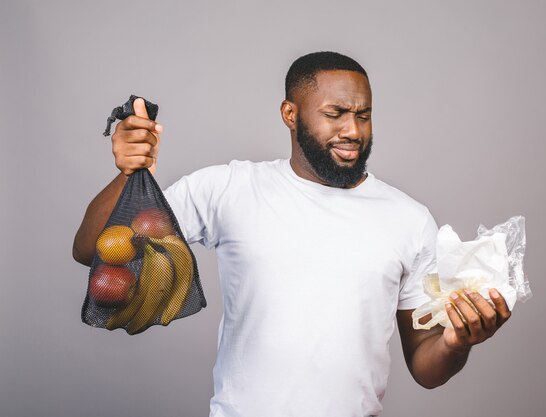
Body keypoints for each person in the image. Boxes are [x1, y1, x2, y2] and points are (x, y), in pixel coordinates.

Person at [73, 51, 511, 417]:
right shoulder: (229, 189)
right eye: (335, 114)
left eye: (363, 115)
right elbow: (92, 249)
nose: (353, 131)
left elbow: (425, 366)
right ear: (290, 113)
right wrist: (129, 175)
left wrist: (455, 342)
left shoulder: (409, 219)